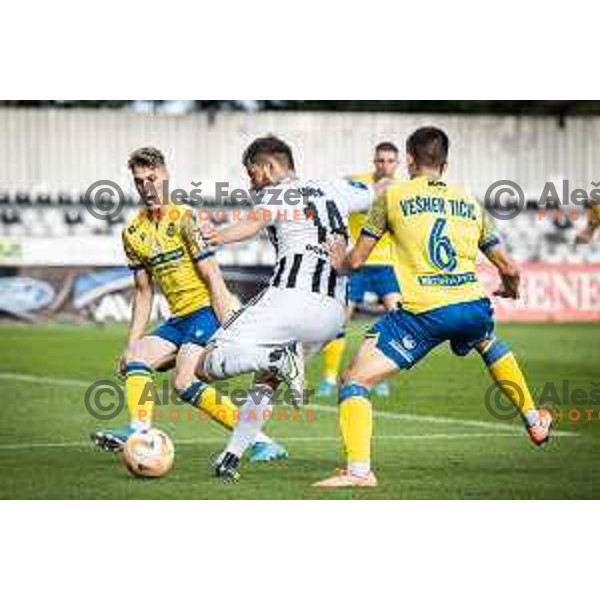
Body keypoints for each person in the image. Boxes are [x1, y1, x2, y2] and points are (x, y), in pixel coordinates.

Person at [313, 126, 553, 488]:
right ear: (445, 162)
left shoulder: (392, 197)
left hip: (424, 312)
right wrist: (509, 289)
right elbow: (510, 268)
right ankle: (534, 420)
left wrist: (337, 262)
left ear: (409, 159)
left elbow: (357, 260)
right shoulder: (469, 202)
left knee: (355, 381)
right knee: (487, 341)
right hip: (472, 305)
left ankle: (359, 472)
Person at [196, 135, 386, 481]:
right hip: (332, 315)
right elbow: (383, 190)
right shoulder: (336, 187)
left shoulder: (277, 192)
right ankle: (232, 455)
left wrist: (215, 236)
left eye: (252, 173)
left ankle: (278, 358)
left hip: (290, 299)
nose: (251, 182)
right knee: (265, 381)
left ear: (269, 167)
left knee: (205, 363)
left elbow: (252, 223)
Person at [92, 146, 287, 463]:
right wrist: (130, 345)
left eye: (152, 178)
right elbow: (143, 292)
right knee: (136, 357)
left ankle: (259, 440)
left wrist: (230, 327)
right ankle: (139, 430)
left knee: (183, 382)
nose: (147, 187)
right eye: (140, 181)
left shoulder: (187, 218)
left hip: (207, 310)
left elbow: (213, 276)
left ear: (166, 175)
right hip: (178, 319)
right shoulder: (132, 232)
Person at [318, 142, 402, 398]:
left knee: (398, 321)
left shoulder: (402, 192)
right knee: (338, 322)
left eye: (390, 161)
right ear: (374, 161)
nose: (385, 165)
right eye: (380, 161)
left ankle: (374, 374)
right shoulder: (357, 184)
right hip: (357, 262)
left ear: (397, 164)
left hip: (387, 265)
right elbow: (332, 198)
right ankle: (329, 378)